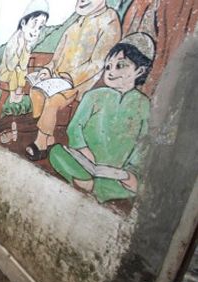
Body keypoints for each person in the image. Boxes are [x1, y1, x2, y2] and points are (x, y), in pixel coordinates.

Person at [48, 32, 155, 202]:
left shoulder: (143, 104)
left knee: (136, 186)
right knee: (56, 152)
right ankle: (93, 186)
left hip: (115, 172)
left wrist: (128, 173)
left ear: (140, 70)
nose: (111, 72)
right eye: (108, 67)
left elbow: (143, 142)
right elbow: (74, 127)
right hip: (84, 163)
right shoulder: (94, 95)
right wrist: (84, 151)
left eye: (120, 65)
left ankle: (91, 186)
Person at [25, 0, 121, 161]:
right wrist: (46, 71)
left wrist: (71, 78)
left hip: (79, 84)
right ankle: (48, 136)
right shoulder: (75, 24)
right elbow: (56, 58)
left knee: (53, 101)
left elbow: (98, 62)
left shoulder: (109, 20)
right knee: (36, 91)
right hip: (56, 79)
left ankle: (41, 144)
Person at [0, 0, 49, 127]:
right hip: (5, 72)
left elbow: (24, 65)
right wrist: (19, 50)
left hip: (16, 73)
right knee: (16, 72)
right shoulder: (15, 41)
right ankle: (15, 93)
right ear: (24, 23)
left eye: (40, 27)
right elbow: (10, 64)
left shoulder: (27, 44)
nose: (36, 30)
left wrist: (25, 52)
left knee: (21, 72)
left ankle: (17, 91)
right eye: (34, 24)